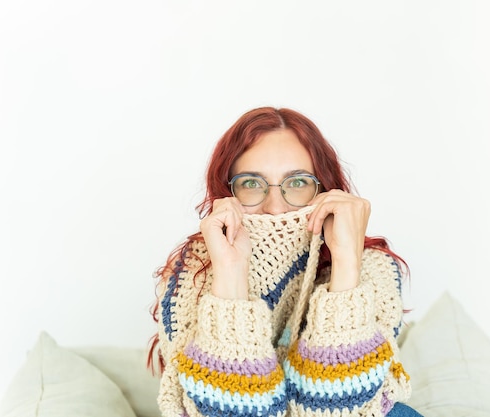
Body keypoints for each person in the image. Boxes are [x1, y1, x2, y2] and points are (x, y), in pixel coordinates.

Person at [148, 107, 422, 417]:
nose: (275, 207)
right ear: (227, 194)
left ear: (325, 190)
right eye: (252, 184)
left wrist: (346, 262)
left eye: (297, 183)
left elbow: (345, 409)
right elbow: (229, 412)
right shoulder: (192, 273)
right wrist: (230, 277)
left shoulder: (371, 267)